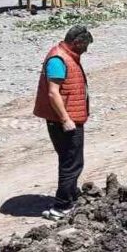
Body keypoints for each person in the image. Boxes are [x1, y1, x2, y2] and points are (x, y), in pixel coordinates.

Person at [33, 25, 93, 220]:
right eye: (85, 46)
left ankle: (71, 194)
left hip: (70, 118)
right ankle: (62, 206)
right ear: (76, 42)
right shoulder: (59, 60)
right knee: (71, 163)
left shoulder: (67, 56)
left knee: (71, 160)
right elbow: (53, 92)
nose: (86, 50)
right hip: (64, 122)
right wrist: (65, 119)